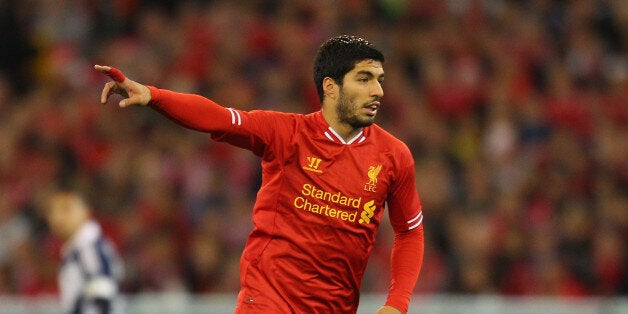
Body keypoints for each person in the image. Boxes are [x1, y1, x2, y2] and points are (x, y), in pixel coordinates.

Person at [96, 35, 424, 314]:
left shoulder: (394, 156)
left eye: (380, 80)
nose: (378, 91)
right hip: (268, 303)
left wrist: (397, 303)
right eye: (364, 79)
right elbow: (219, 119)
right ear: (331, 86)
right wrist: (154, 95)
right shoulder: (286, 134)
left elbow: (409, 232)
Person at [45, 190, 123, 314]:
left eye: (66, 209)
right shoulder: (80, 248)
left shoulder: (88, 248)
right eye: (53, 211)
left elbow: (103, 296)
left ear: (85, 211)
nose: (58, 217)